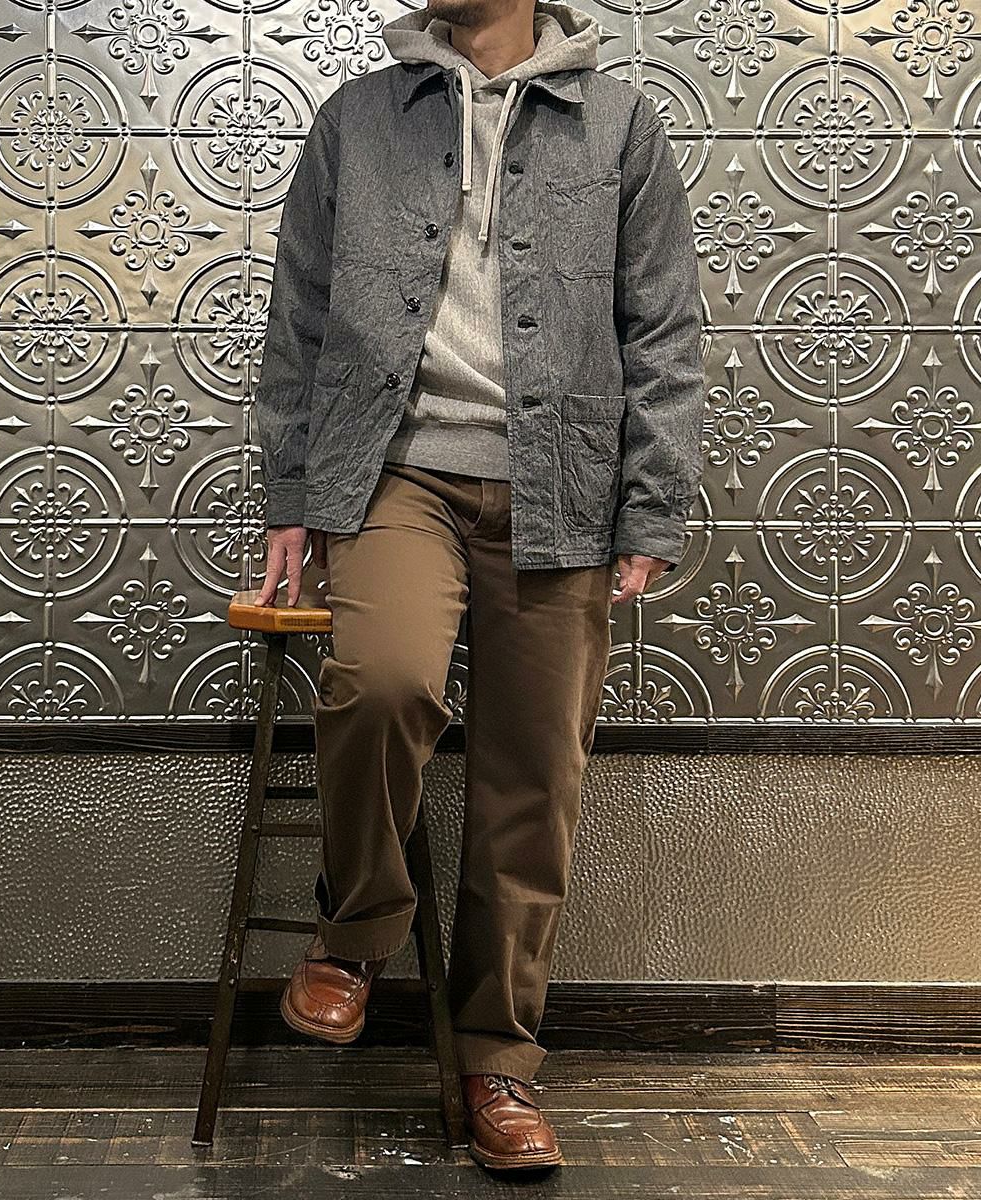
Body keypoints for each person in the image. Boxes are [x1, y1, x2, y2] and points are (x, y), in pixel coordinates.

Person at [253, 0, 706, 1172]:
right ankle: (357, 925)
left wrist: (651, 504)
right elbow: (299, 315)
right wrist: (292, 493)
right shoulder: (357, 118)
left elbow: (664, 329)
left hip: (563, 484)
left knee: (532, 775)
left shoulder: (620, 125)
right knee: (383, 682)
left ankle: (499, 1059)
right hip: (394, 470)